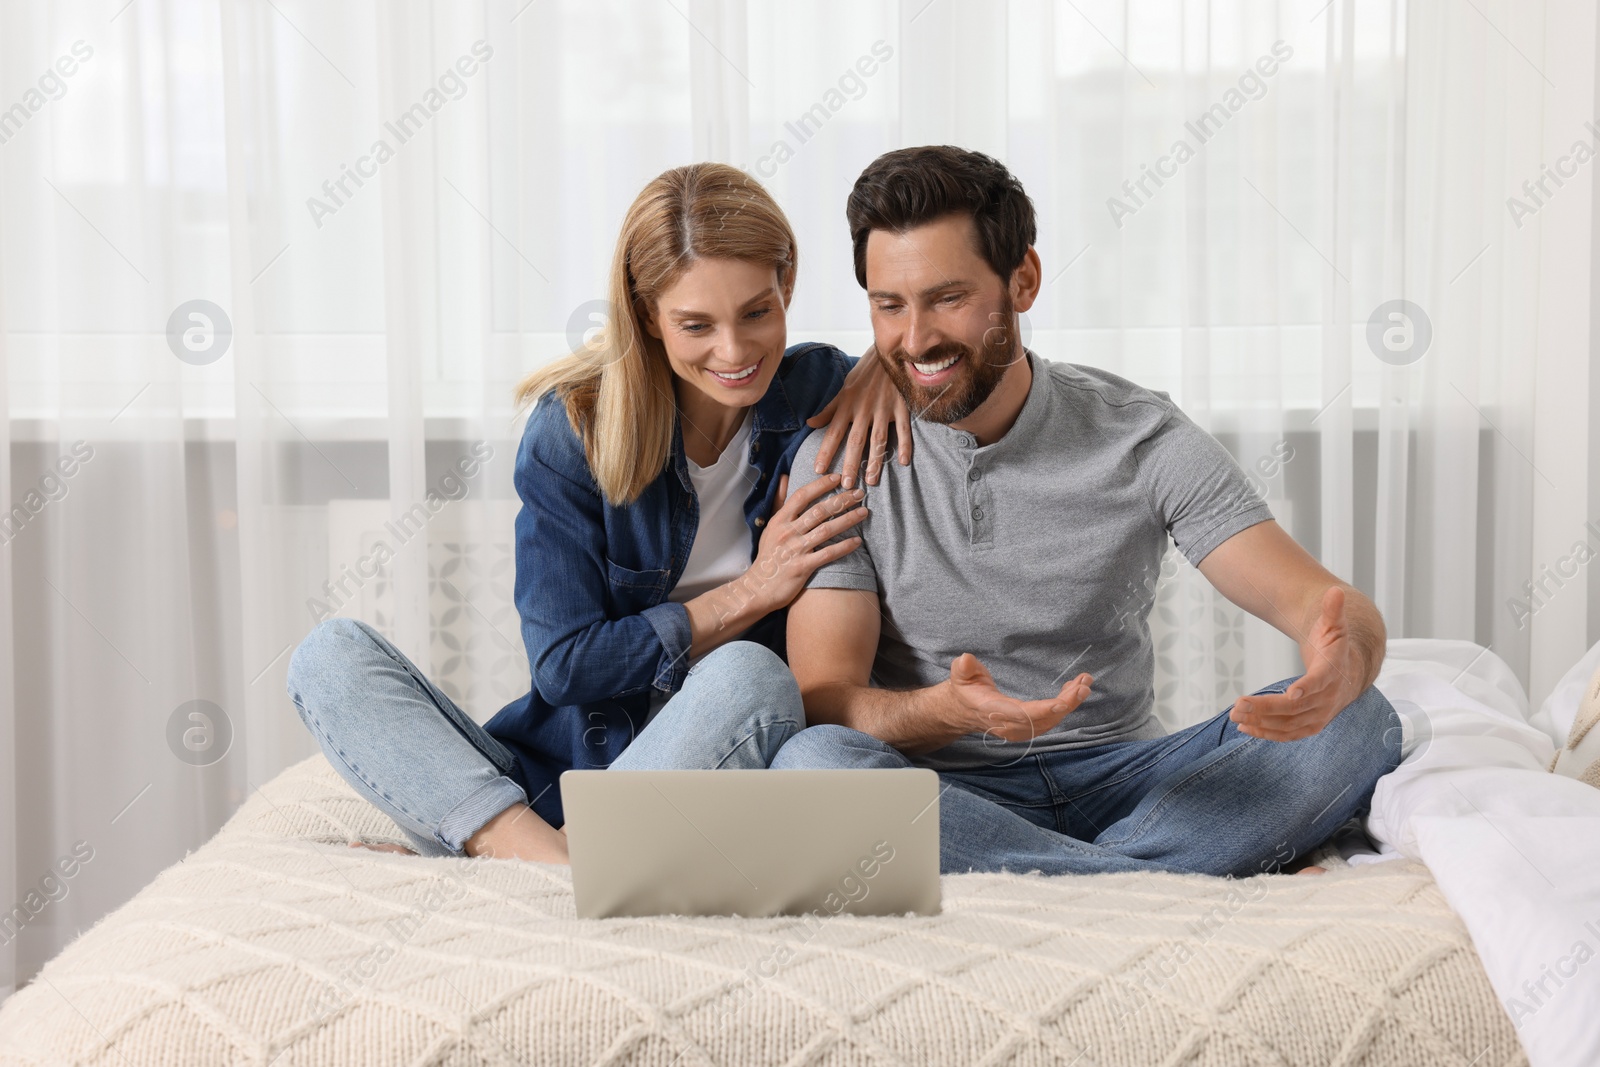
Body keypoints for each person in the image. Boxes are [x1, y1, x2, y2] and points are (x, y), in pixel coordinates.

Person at [772, 145, 1402, 878]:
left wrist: (1341, 660)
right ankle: (1135, 877)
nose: (914, 340)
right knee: (811, 762)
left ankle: (1060, 874)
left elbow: (1322, 604)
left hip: (1131, 779)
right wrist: (946, 710)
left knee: (1363, 716)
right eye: (889, 305)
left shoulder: (1139, 434)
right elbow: (826, 699)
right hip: (948, 790)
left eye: (947, 298)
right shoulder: (841, 458)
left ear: (1024, 280)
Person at [287, 163, 914, 864]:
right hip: (555, 776)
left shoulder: (819, 391)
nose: (735, 352)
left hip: (716, 772)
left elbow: (939, 349)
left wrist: (882, 371)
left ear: (786, 283)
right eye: (695, 324)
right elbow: (563, 666)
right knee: (329, 654)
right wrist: (749, 592)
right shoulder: (573, 430)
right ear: (648, 313)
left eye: (757, 313)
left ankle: (524, 862)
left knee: (751, 675)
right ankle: (554, 864)